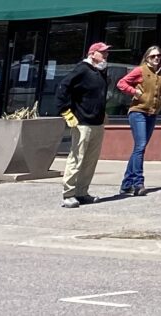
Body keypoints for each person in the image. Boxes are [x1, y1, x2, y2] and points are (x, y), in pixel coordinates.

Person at [57, 41, 110, 207]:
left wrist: (103, 113)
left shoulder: (100, 72)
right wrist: (66, 112)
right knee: (77, 158)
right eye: (102, 52)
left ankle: (82, 192)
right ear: (92, 54)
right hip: (82, 122)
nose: (106, 55)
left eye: (106, 52)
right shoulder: (82, 69)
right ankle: (68, 194)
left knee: (90, 160)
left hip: (97, 122)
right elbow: (63, 87)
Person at [114, 45, 161, 197]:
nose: (156, 58)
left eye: (158, 56)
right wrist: (134, 92)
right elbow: (121, 83)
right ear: (147, 58)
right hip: (138, 112)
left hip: (152, 113)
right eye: (153, 56)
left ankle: (126, 185)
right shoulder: (140, 70)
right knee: (141, 146)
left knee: (139, 148)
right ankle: (138, 183)